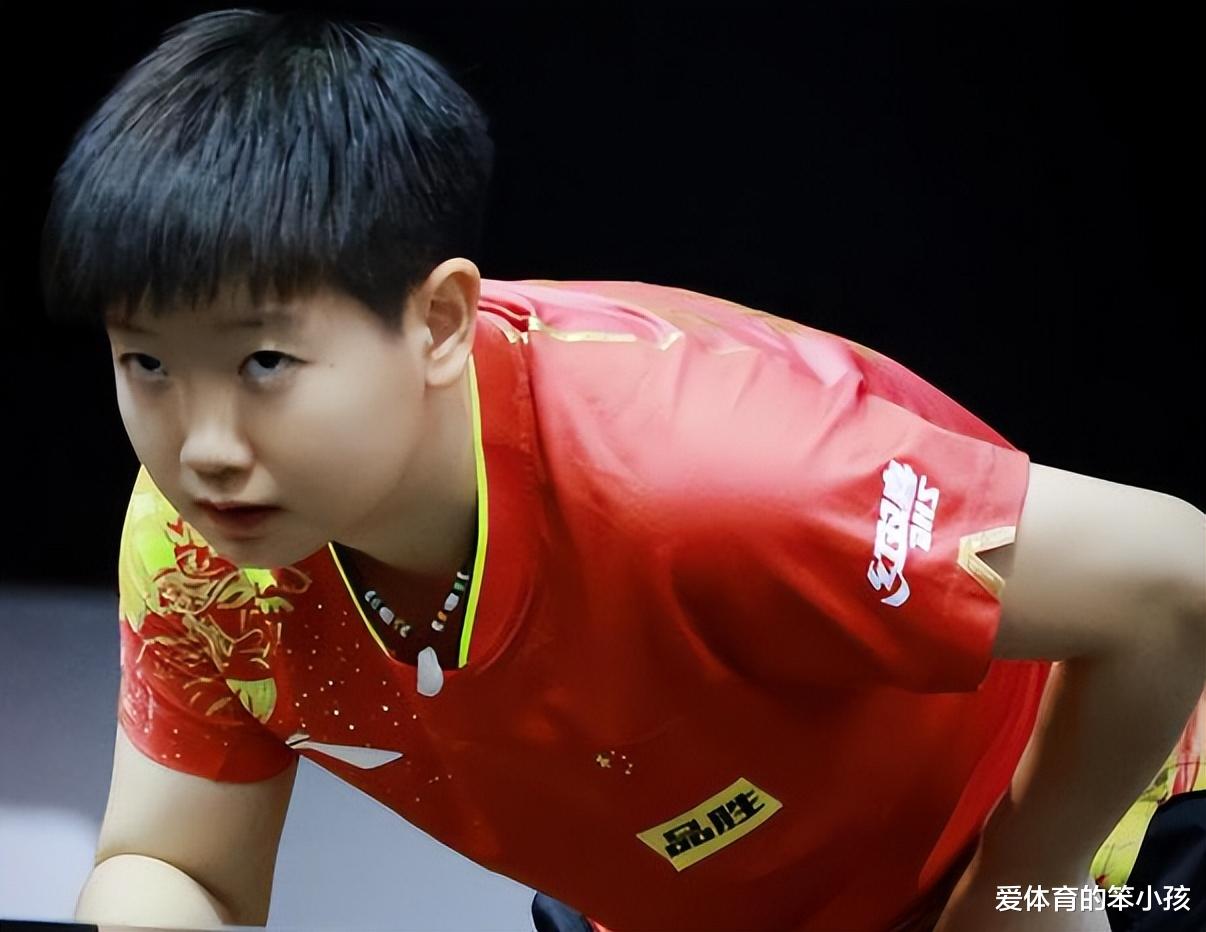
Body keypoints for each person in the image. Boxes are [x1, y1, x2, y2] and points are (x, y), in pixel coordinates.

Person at [40, 9, 1204, 932]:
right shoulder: (198, 549)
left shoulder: (711, 476)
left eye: (264, 362)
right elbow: (178, 863)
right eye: (148, 362)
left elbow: (1170, 573)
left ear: (438, 321)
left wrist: (1027, 875)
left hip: (1089, 827)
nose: (203, 445)